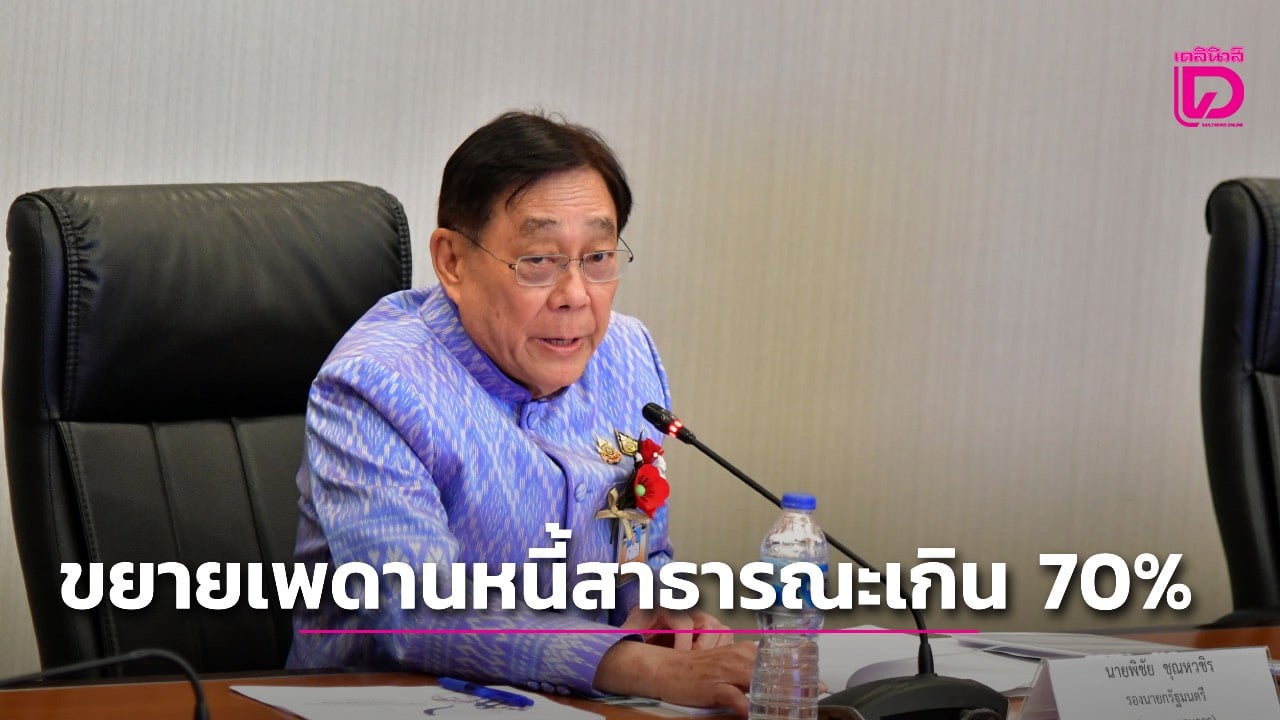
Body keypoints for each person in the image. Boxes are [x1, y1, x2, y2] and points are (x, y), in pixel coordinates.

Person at [287, 111, 756, 714]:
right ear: (453, 262)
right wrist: (642, 666)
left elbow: (640, 549)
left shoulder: (628, 355)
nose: (576, 296)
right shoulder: (376, 383)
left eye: (598, 257)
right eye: (538, 260)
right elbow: (419, 607)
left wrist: (667, 612)